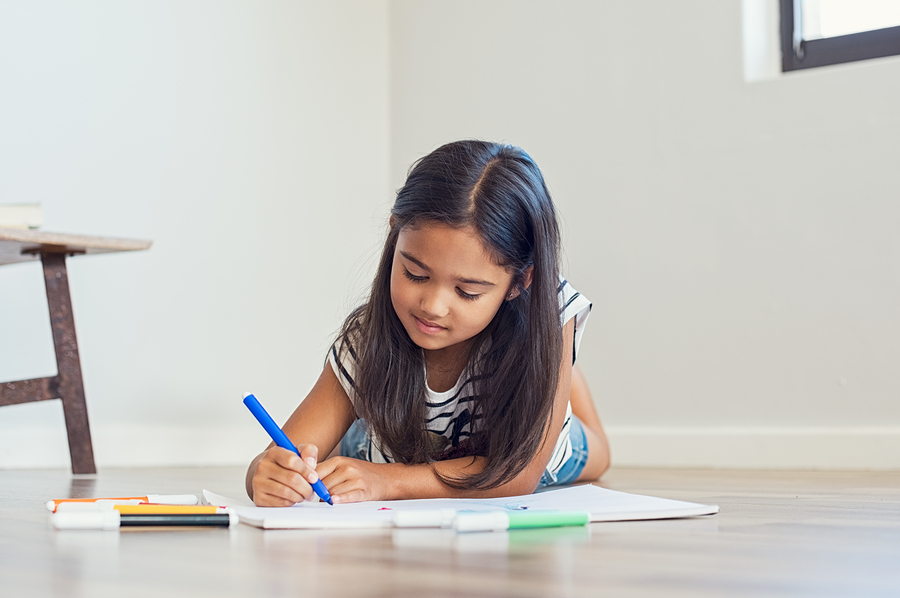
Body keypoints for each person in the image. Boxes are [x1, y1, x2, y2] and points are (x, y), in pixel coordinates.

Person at [246, 140, 609, 506]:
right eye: (415, 274)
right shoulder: (366, 339)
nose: (432, 307)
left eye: (467, 292)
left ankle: (563, 378)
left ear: (519, 282)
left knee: (595, 453)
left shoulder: (546, 317)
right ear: (395, 235)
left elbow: (517, 475)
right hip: (392, 441)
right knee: (359, 447)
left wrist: (389, 481)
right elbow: (273, 460)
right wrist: (270, 474)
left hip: (519, 434)